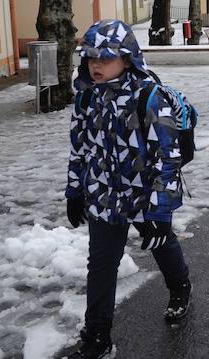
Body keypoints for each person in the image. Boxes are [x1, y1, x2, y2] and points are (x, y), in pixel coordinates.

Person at [66, 19, 191, 358]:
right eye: (91, 58)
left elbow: (168, 158)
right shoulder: (86, 99)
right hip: (104, 195)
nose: (96, 65)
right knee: (102, 264)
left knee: (162, 246)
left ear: (127, 59)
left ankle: (180, 285)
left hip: (145, 194)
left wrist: (159, 211)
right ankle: (97, 336)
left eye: (105, 58)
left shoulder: (150, 98)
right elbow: (80, 148)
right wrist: (75, 190)